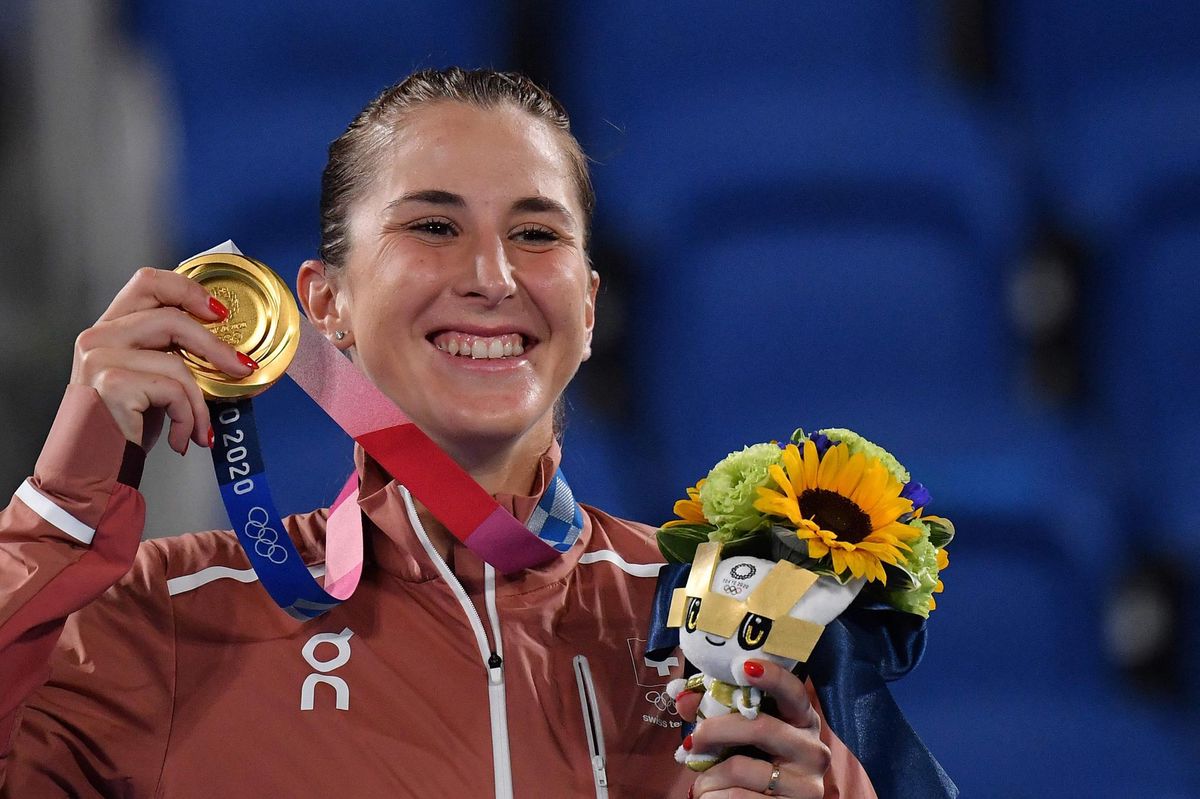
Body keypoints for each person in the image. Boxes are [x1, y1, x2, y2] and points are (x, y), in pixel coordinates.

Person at [0, 68, 877, 798]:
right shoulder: (171, 617)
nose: (492, 276)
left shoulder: (721, 619)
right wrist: (60, 509)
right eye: (433, 226)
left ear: (588, 306)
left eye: (535, 232)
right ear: (325, 303)